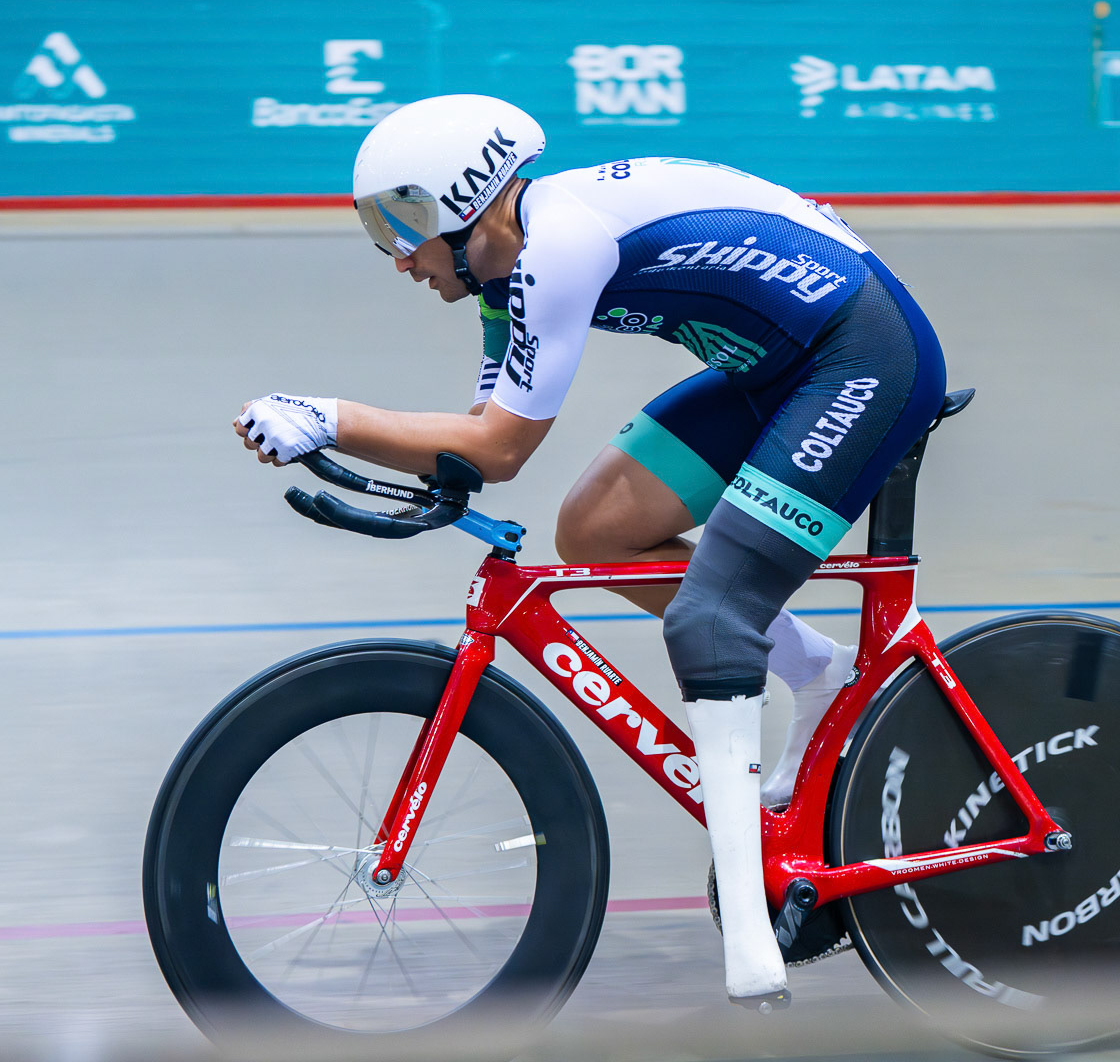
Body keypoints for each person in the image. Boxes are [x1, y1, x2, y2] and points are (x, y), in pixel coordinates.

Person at [234, 94, 946, 1007]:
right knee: (597, 534)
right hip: (776, 364)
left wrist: (330, 416)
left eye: (405, 222)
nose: (398, 254)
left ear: (470, 202)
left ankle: (754, 941)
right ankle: (818, 671)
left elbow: (498, 446)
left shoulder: (556, 246)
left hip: (860, 356)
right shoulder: (502, 266)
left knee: (712, 618)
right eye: (380, 229)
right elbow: (483, 428)